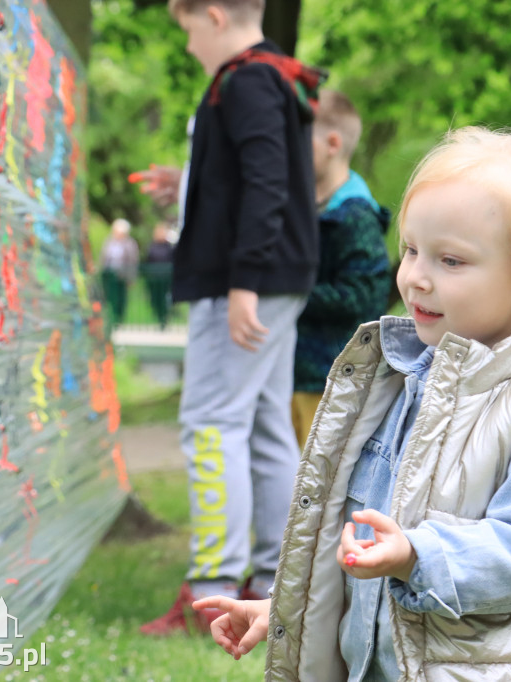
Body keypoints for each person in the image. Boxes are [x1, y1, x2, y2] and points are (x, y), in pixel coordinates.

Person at [194, 95, 511, 680]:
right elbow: (359, 539)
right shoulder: (397, 379)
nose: (416, 277)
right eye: (412, 250)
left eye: (450, 261)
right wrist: (287, 609)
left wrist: (418, 555)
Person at [134, 0, 325, 636]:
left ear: (213, 16)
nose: (188, 45)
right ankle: (273, 584)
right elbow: (251, 177)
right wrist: (187, 182)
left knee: (212, 423)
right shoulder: (275, 75)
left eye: (187, 28)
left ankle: (212, 594)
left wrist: (244, 279)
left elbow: (267, 182)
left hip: (243, 285)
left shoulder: (243, 80)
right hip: (279, 278)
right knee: (267, 423)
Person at [291, 90, 391, 449]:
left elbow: (362, 297)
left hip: (329, 382)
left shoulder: (355, 215)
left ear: (332, 143)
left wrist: (288, 292)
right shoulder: (306, 206)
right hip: (294, 377)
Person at [99, 218, 140, 326]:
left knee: (121, 299)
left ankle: (119, 318)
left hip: (122, 275)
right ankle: (110, 318)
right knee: (109, 298)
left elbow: (133, 261)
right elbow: (103, 258)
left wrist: (131, 278)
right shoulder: (109, 242)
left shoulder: (130, 244)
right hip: (110, 275)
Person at [143, 222, 176, 328]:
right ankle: (158, 317)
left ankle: (163, 319)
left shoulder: (169, 247)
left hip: (165, 279)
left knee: (164, 300)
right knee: (155, 300)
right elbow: (147, 260)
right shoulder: (151, 246)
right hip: (154, 279)